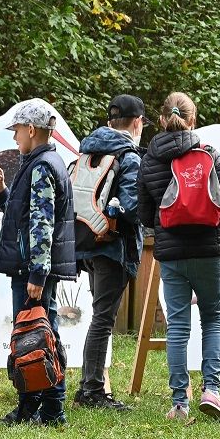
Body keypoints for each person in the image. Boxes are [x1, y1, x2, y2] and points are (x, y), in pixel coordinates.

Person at [137, 92, 220, 422]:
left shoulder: (150, 159)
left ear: (162, 119)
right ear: (193, 120)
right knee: (213, 317)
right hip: (209, 250)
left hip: (171, 252)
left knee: (178, 326)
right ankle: (212, 391)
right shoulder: (209, 153)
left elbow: (144, 214)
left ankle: (180, 402)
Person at [0, 98, 77, 426]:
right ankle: (49, 409)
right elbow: (23, 215)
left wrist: (37, 273)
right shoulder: (43, 162)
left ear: (30, 129)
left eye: (16, 131)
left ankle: (40, 409)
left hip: (32, 268)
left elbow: (42, 223)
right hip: (33, 266)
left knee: (34, 338)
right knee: (43, 333)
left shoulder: (41, 166)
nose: (14, 138)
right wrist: (1, 191)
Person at [73, 95, 147, 412]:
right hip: (114, 247)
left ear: (109, 122)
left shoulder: (89, 150)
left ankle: (88, 386)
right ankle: (91, 389)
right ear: (137, 123)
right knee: (103, 319)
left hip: (87, 241)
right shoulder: (129, 157)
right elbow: (131, 207)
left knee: (99, 315)